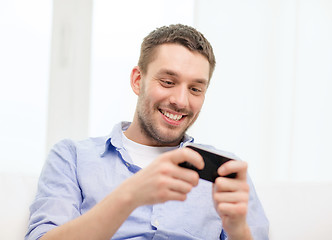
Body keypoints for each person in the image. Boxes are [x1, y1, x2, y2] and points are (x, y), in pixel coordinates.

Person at [25, 24, 269, 240]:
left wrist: (239, 232)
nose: (181, 101)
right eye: (167, 82)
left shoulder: (228, 173)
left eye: (195, 89)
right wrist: (131, 195)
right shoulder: (72, 157)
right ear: (137, 80)